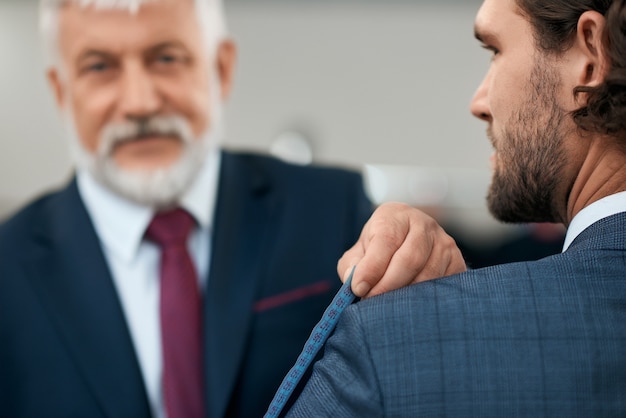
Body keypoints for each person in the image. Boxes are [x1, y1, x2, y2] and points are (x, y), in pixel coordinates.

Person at [0, 0, 466, 417]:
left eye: (166, 58)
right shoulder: (7, 268)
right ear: (62, 92)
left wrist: (439, 291)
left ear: (221, 68)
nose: (140, 102)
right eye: (99, 66)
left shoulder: (330, 209)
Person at [287, 0, 626, 415]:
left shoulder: (392, 348)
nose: (479, 101)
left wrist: (433, 321)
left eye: (495, 50)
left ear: (590, 55)